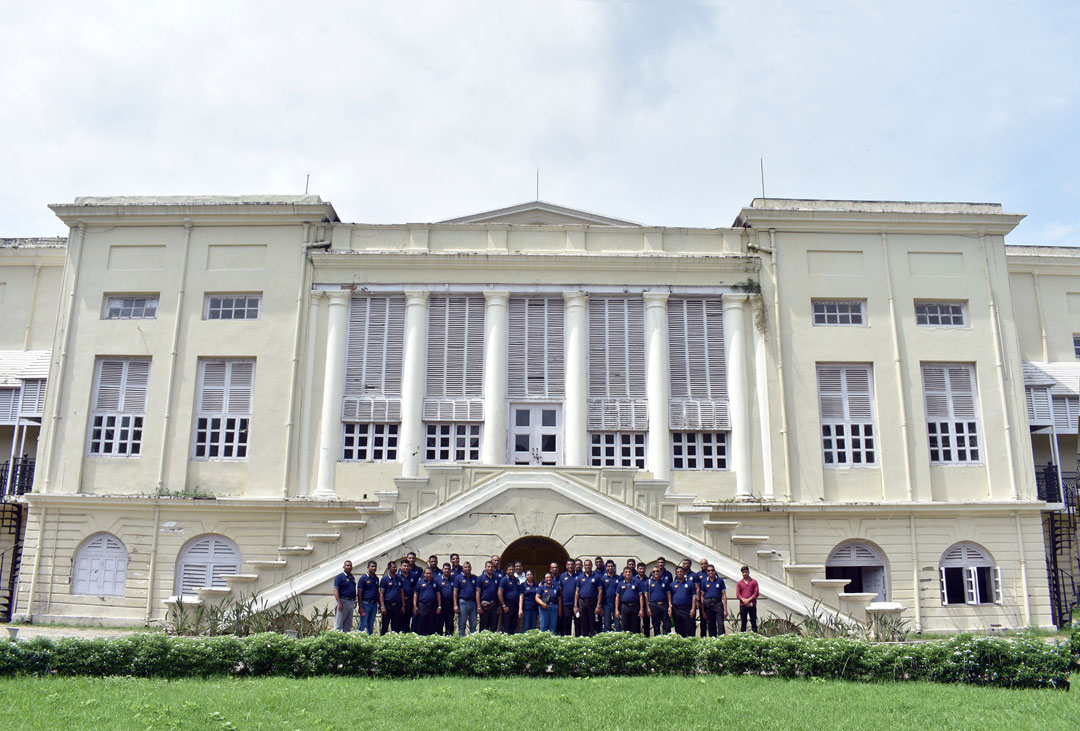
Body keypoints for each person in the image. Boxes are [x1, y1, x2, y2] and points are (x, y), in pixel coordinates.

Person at [574, 559, 603, 637]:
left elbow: (600, 591)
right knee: (583, 622)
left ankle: (592, 638)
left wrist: (598, 605)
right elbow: (577, 592)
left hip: (592, 602)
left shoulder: (596, 577)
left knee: (592, 622)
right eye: (586, 565)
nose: (587, 566)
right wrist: (575, 606)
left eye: (589, 565)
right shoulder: (580, 577)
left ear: (591, 566)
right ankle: (585, 638)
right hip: (582, 602)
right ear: (584, 566)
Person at [699, 564, 727, 637]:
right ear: (707, 572)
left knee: (720, 623)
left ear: (714, 571)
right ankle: (713, 640)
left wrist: (725, 610)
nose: (711, 572)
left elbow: (724, 595)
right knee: (711, 624)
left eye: (712, 570)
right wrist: (703, 610)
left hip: (718, 603)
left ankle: (722, 639)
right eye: (709, 571)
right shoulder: (704, 581)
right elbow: (702, 596)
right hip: (708, 604)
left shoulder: (720, 580)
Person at [379, 560, 406, 634]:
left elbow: (402, 592)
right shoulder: (385, 579)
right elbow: (381, 593)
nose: (395, 569)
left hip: (397, 606)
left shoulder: (399, 578)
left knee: (396, 626)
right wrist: (382, 606)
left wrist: (403, 605)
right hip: (387, 606)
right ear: (389, 568)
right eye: (393, 567)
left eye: (396, 567)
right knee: (385, 625)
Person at [615, 566, 644, 634]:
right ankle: (626, 641)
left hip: (635, 607)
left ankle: (634, 642)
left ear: (632, 573)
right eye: (626, 572)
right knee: (625, 625)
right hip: (624, 607)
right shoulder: (620, 584)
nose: (628, 573)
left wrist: (641, 609)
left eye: (629, 572)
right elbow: (617, 597)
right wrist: (616, 609)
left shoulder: (637, 583)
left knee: (635, 626)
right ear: (623, 574)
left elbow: (641, 596)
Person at [670, 566, 697, 637]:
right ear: (675, 574)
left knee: (688, 629)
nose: (679, 573)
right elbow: (670, 597)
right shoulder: (672, 584)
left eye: (681, 572)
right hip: (676, 610)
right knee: (678, 629)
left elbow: (694, 597)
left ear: (684, 573)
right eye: (678, 572)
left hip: (687, 609)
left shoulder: (690, 583)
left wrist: (693, 609)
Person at [454, 561, 480, 636]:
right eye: (465, 567)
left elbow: (477, 592)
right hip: (462, 602)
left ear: (471, 568)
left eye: (469, 567)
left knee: (473, 623)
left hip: (473, 603)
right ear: (463, 568)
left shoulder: (475, 578)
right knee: (462, 623)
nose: (467, 568)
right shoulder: (458, 578)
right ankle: (462, 641)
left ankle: (472, 641)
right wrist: (455, 605)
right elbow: (455, 592)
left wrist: (478, 606)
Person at [413, 566, 441, 636]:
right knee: (421, 623)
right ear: (424, 574)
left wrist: (439, 606)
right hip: (422, 605)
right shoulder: (420, 582)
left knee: (431, 624)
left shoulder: (435, 583)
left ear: (432, 574)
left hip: (432, 606)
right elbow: (416, 594)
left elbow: (438, 595)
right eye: (427, 573)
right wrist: (415, 606)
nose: (428, 575)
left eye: (430, 573)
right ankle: (421, 639)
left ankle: (430, 640)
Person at [645, 565, 672, 636]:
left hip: (664, 605)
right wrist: (648, 607)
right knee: (656, 624)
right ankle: (657, 639)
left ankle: (667, 640)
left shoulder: (665, 581)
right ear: (652, 573)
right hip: (654, 605)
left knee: (666, 624)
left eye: (657, 571)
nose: (656, 573)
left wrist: (670, 606)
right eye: (654, 572)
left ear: (660, 572)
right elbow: (646, 595)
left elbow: (668, 593)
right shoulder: (649, 582)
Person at [357, 560, 380, 635]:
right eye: (372, 566)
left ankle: (369, 642)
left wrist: (379, 605)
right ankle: (359, 640)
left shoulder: (376, 579)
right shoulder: (363, 578)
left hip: (374, 604)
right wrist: (360, 607)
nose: (374, 568)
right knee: (363, 624)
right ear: (368, 567)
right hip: (365, 604)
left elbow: (377, 592)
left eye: (375, 566)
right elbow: (359, 593)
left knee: (370, 625)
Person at [333, 560, 357, 632]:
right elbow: (335, 590)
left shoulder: (352, 577)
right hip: (342, 601)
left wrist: (355, 600)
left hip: (350, 602)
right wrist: (339, 603)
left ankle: (345, 641)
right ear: (344, 567)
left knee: (348, 624)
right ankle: (336, 641)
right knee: (339, 624)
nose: (349, 567)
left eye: (350, 565)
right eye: (347, 565)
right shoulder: (340, 577)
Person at [558, 559, 579, 636]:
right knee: (567, 623)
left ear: (574, 566)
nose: (570, 566)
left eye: (572, 564)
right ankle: (567, 640)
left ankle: (578, 640)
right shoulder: (562, 576)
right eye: (568, 564)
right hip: (566, 603)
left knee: (578, 622)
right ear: (566, 566)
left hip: (577, 604)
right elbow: (560, 590)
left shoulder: (579, 576)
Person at [478, 561, 501, 631]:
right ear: (485, 568)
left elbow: (499, 593)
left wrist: (500, 605)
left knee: (494, 625)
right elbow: (477, 593)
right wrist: (479, 606)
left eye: (491, 567)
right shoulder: (480, 578)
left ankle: (492, 641)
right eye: (488, 567)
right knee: (484, 626)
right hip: (484, 605)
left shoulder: (497, 578)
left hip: (494, 605)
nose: (490, 568)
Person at [499, 565, 521, 633]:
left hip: (515, 604)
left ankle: (512, 638)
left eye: (512, 569)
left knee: (514, 623)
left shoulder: (516, 580)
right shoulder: (504, 580)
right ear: (507, 571)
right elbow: (499, 593)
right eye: (510, 570)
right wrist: (504, 605)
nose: (511, 571)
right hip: (507, 604)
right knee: (506, 623)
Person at [736, 566, 759, 632]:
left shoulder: (754, 582)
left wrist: (748, 600)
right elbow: (738, 594)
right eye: (743, 572)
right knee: (743, 622)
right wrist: (744, 600)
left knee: (753, 622)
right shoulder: (739, 583)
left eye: (746, 572)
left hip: (752, 605)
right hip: (743, 605)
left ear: (748, 572)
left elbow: (756, 593)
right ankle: (743, 637)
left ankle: (755, 637)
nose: (745, 574)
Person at [436, 563, 457, 635]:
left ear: (450, 570)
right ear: (442, 570)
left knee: (450, 623)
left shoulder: (454, 580)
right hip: (441, 604)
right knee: (439, 623)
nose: (447, 570)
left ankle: (449, 639)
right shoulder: (438, 580)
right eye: (445, 569)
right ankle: (439, 639)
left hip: (450, 604)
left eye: (448, 569)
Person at [600, 561, 621, 632]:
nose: (610, 568)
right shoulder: (603, 579)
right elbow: (600, 592)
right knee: (606, 624)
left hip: (617, 605)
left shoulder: (618, 578)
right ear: (606, 568)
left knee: (617, 624)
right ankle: (607, 640)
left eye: (612, 566)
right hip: (606, 604)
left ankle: (618, 640)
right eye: (608, 566)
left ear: (614, 567)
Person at [400, 557, 418, 632]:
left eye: (407, 566)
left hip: (410, 601)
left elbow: (415, 591)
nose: (406, 567)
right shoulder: (397, 577)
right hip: (401, 601)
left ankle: (411, 636)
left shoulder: (413, 576)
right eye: (404, 566)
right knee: (401, 620)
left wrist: (415, 605)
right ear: (401, 567)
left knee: (412, 619)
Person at [635, 563, 651, 637]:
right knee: (636, 623)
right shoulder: (633, 579)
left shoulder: (648, 580)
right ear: (637, 569)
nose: (642, 570)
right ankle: (637, 639)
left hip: (646, 604)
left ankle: (647, 638)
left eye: (643, 569)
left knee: (646, 623)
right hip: (636, 604)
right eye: (640, 569)